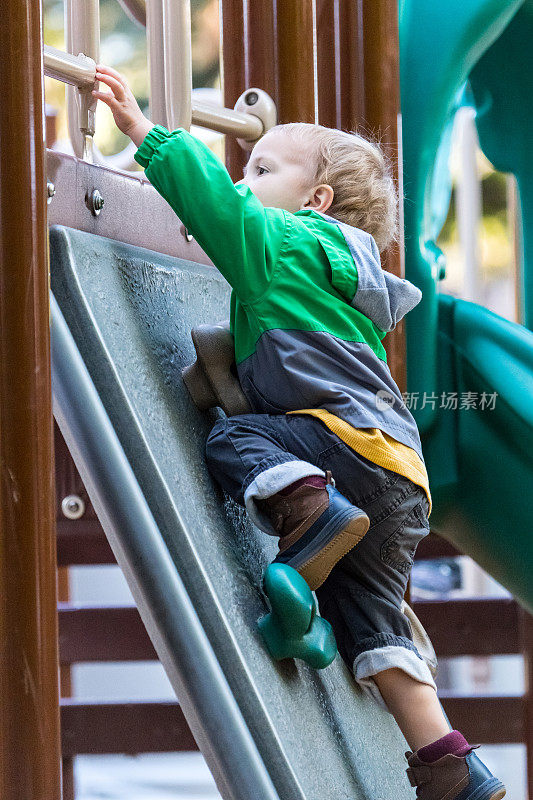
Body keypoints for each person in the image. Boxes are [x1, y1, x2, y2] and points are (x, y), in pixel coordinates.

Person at [92, 63, 506, 800]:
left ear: (315, 200)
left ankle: (311, 514)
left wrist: (147, 135)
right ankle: (451, 765)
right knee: (375, 627)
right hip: (400, 480)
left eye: (258, 167)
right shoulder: (350, 276)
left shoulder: (282, 242)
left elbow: (222, 215)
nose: (241, 179)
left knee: (231, 441)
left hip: (339, 456)